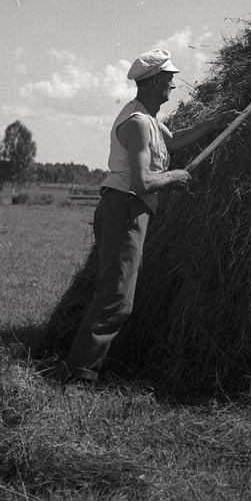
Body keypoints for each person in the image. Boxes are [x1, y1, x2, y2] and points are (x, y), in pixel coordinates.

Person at [62, 48, 235, 386]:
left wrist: (215, 123)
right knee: (115, 298)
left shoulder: (150, 119)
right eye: (170, 79)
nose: (173, 85)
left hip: (129, 209)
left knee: (119, 293)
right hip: (126, 207)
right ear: (156, 80)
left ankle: (92, 366)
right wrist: (174, 177)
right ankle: (78, 375)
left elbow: (177, 140)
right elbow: (142, 182)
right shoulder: (138, 123)